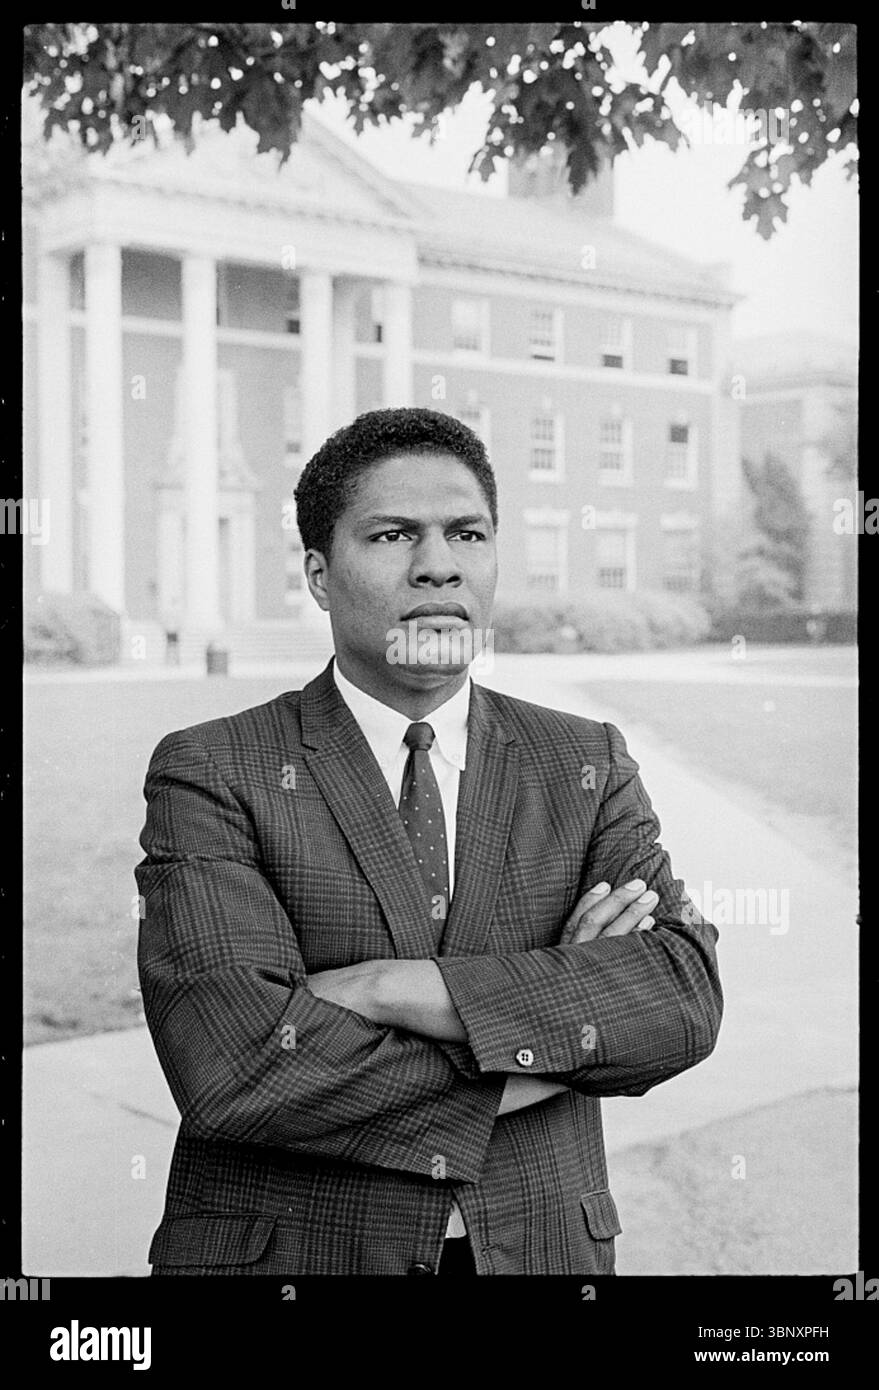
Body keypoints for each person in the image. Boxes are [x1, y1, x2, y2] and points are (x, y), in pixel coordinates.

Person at [136, 407, 722, 1276]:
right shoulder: (215, 769)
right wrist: (557, 1040)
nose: (438, 563)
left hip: (540, 1250)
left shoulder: (584, 760)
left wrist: (381, 988)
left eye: (467, 533)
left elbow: (678, 1000)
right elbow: (239, 1064)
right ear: (319, 574)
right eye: (393, 534)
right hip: (296, 1257)